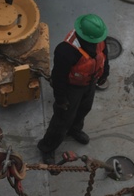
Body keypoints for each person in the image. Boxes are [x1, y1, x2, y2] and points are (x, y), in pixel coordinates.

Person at [37, 13, 110, 167]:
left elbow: (104, 55)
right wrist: (61, 99)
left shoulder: (99, 39)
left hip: (89, 83)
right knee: (62, 119)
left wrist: (105, 73)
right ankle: (47, 146)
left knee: (84, 108)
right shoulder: (66, 51)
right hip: (71, 88)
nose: (96, 42)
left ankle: (74, 130)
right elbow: (59, 77)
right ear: (83, 36)